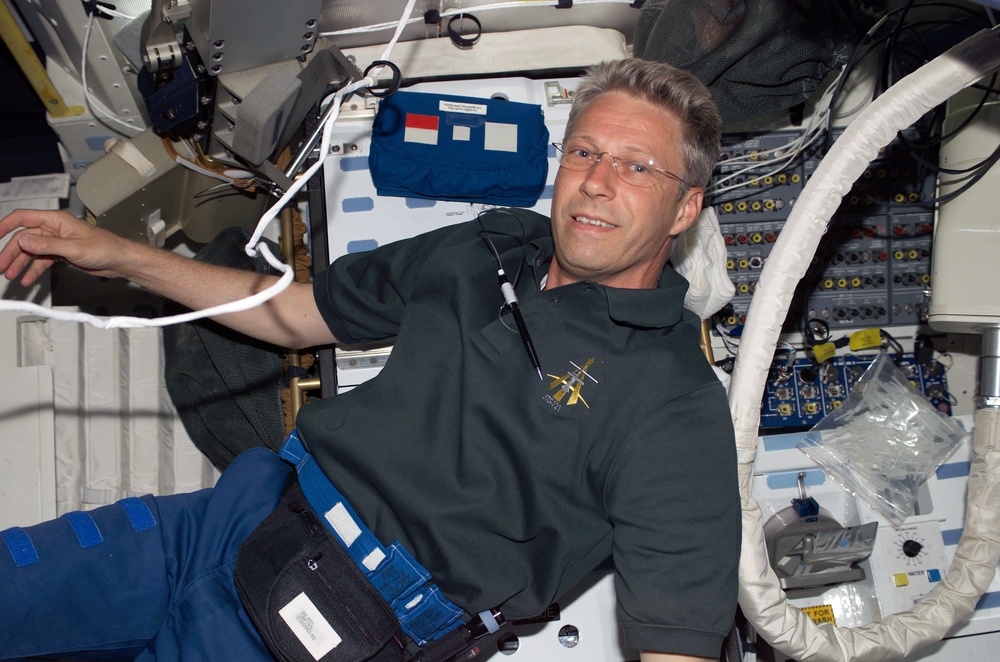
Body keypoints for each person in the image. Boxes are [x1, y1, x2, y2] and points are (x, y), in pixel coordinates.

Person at [0, 58, 739, 661]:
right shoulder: (492, 243)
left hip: (337, 622)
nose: (598, 181)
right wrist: (120, 257)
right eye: (585, 152)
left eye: (638, 168)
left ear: (685, 209)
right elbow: (296, 313)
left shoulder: (676, 403)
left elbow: (678, 648)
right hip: (230, 521)